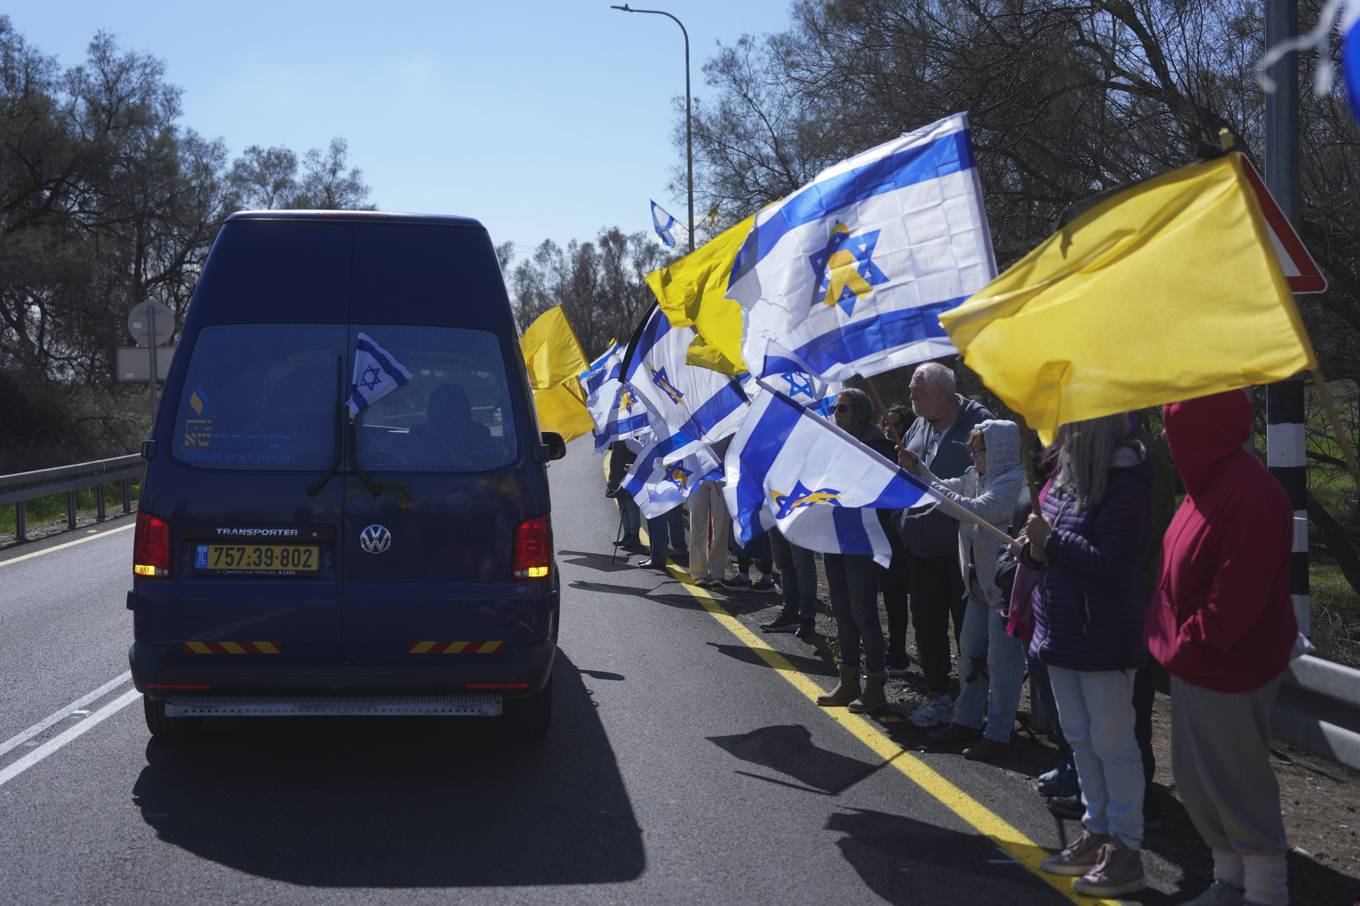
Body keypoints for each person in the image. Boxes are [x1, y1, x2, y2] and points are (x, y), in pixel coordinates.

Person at [1145, 391, 1296, 906]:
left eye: (1173, 423)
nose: (1165, 435)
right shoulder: (1204, 487)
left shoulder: (1247, 490)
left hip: (1228, 664)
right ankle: (1230, 882)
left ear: (1203, 427)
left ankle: (1266, 893)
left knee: (1236, 782)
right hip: (1195, 661)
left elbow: (1238, 595)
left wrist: (1190, 643)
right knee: (1199, 779)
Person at [1025, 414, 1153, 898]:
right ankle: (1096, 829)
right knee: (1080, 738)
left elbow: (1112, 559)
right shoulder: (1063, 475)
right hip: (1060, 631)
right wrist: (1031, 550)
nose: (1059, 430)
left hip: (1102, 636)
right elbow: (1042, 546)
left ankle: (1126, 848)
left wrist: (1049, 542)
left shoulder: (1127, 481)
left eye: (1070, 422)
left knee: (1113, 743)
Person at [899, 420, 1026, 761]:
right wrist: (918, 467)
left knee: (1002, 664)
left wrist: (931, 486)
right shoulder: (975, 475)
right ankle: (967, 721)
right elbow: (943, 487)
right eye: (970, 449)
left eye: (979, 449)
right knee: (970, 655)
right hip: (977, 586)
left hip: (1003, 589)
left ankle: (999, 734)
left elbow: (976, 509)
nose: (973, 455)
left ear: (999, 449)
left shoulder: (1014, 481)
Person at [894, 362, 993, 727]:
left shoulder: (980, 422)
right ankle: (937, 696)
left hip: (963, 553)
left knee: (970, 631)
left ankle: (973, 705)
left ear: (942, 391)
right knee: (927, 627)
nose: (911, 396)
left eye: (917, 389)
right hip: (920, 550)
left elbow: (992, 481)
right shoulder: (920, 422)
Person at [816, 388, 898, 714]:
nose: (837, 413)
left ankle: (875, 686)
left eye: (844, 408)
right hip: (835, 536)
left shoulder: (877, 445)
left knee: (864, 613)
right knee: (842, 610)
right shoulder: (837, 442)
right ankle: (847, 679)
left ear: (861, 411)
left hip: (863, 538)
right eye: (834, 408)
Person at [880, 404, 912, 676]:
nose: (889, 429)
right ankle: (896, 652)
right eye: (886, 424)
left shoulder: (911, 456)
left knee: (903, 601)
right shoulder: (878, 453)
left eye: (896, 425)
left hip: (906, 538)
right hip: (885, 537)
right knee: (892, 598)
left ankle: (901, 655)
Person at [761, 528, 820, 640]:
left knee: (803, 566)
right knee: (785, 566)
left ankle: (807, 618)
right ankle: (789, 615)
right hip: (778, 515)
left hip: (801, 516)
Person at [687, 478, 731, 588]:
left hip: (721, 475)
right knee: (697, 526)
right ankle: (699, 573)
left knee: (721, 527)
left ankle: (718, 574)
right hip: (697, 476)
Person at [607, 440, 642, 549]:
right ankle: (627, 533)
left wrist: (631, 462)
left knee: (631, 506)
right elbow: (609, 446)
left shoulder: (630, 429)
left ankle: (634, 534)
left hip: (628, 472)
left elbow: (640, 451)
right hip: (617, 473)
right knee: (622, 505)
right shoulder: (616, 432)